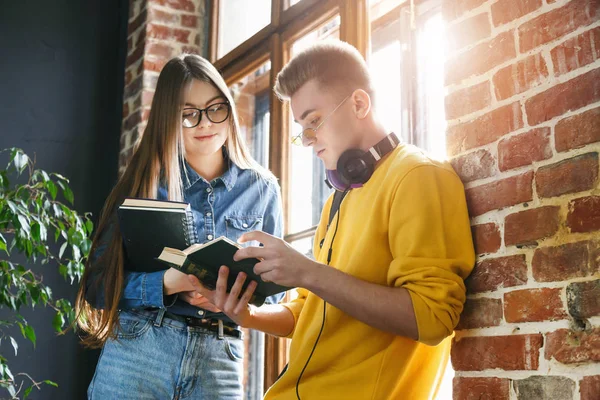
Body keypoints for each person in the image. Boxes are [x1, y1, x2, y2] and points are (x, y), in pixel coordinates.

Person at [188, 40, 476, 399]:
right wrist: (246, 315)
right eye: (302, 128)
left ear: (358, 103)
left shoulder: (418, 176)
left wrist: (306, 271)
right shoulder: (341, 196)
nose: (308, 140)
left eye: (314, 121)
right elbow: (313, 310)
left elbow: (433, 317)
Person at [75, 53, 283, 399]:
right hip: (139, 348)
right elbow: (97, 286)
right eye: (189, 115)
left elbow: (279, 291)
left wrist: (237, 301)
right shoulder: (142, 184)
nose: (205, 124)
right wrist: (166, 283)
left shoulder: (262, 190)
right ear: (168, 119)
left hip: (220, 357)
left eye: (216, 108)